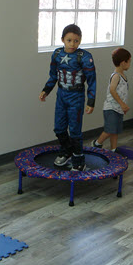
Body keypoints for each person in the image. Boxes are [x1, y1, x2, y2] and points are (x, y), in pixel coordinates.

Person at [39, 24, 96, 171]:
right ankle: (66, 151)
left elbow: (92, 80)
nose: (72, 44)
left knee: (75, 130)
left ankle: (79, 160)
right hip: (61, 95)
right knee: (59, 128)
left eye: (76, 41)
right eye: (69, 40)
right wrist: (46, 90)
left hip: (76, 96)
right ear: (63, 39)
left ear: (80, 41)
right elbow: (53, 75)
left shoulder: (84, 57)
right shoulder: (57, 54)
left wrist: (91, 100)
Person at [92, 47, 131, 153]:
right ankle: (97, 143)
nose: (130, 64)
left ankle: (113, 149)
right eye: (129, 62)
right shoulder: (116, 76)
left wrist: (122, 106)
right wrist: (122, 104)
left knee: (115, 130)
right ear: (123, 62)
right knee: (110, 130)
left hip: (118, 108)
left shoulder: (123, 75)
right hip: (111, 108)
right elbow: (112, 90)